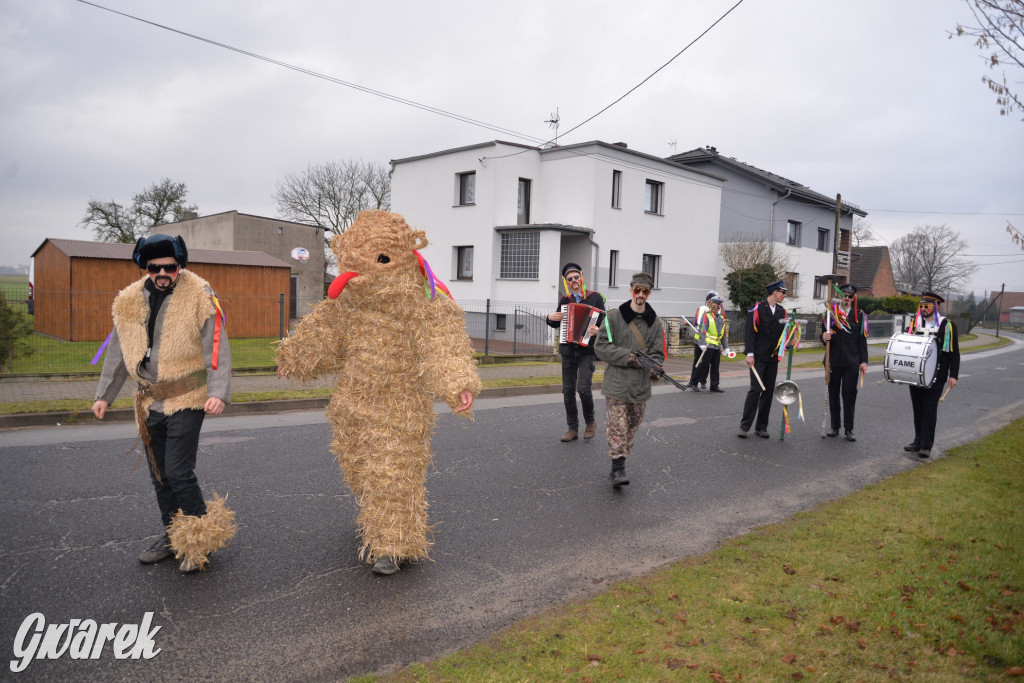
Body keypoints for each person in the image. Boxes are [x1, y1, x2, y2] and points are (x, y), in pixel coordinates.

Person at [276, 210, 481, 576]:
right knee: (360, 471)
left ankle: (393, 544)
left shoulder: (422, 301)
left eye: (380, 260)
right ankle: (398, 528)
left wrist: (457, 382)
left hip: (399, 405)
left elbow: (443, 343)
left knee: (391, 472)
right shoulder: (348, 302)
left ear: (401, 255)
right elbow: (323, 335)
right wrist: (294, 358)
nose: (362, 271)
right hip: (351, 404)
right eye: (353, 262)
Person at [92, 234, 236, 573]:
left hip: (188, 395)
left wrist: (218, 391)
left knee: (178, 472)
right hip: (148, 402)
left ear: (180, 265)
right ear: (145, 266)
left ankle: (199, 541)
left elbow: (216, 347)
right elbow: (117, 351)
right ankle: (174, 537)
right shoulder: (127, 300)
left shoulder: (200, 295)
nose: (162, 273)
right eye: (154, 267)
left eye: (169, 267)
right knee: (160, 476)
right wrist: (103, 396)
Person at [595, 272, 666, 486]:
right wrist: (628, 357)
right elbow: (601, 347)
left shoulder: (655, 323)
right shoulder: (614, 317)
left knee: (631, 428)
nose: (640, 294)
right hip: (616, 384)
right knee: (617, 427)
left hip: (640, 387)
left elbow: (657, 354)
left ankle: (620, 461)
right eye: (637, 290)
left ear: (649, 293)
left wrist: (655, 368)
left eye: (645, 291)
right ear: (631, 291)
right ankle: (618, 469)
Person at [546, 262, 605, 442]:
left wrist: (598, 330)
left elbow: (607, 324)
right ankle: (572, 429)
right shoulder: (565, 301)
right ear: (566, 282)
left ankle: (590, 422)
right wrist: (549, 318)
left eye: (576, 277)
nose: (574, 281)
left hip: (586, 350)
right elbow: (556, 322)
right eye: (569, 279)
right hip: (568, 351)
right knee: (568, 390)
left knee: (584, 389)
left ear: (581, 276)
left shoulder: (595, 298)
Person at [903, 291, 959, 458]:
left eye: (926, 306)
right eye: (921, 306)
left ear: (936, 306)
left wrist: (953, 375)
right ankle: (917, 441)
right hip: (916, 374)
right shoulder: (915, 324)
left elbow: (953, 353)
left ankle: (926, 446)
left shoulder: (946, 325)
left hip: (937, 375)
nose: (923, 309)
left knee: (929, 409)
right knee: (918, 408)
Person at [737, 279, 791, 439]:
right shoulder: (757, 309)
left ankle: (761, 427)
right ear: (775, 292)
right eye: (782, 293)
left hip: (773, 358)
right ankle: (744, 426)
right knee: (755, 390)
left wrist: (788, 343)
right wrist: (750, 353)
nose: (783, 296)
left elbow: (782, 334)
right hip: (759, 357)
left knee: (767, 392)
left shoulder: (782, 312)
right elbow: (750, 332)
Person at [820, 284, 869, 441]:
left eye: (850, 296)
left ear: (854, 298)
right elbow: (824, 336)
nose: (846, 298)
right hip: (833, 360)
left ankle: (849, 429)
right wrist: (824, 337)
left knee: (849, 395)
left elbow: (862, 340)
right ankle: (835, 427)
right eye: (844, 295)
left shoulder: (859, 316)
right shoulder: (830, 314)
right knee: (833, 394)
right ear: (840, 296)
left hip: (851, 362)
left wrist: (864, 361)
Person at [690, 294, 730, 393]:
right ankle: (694, 383)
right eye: (715, 305)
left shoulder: (721, 318)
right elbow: (702, 331)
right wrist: (702, 343)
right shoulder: (706, 316)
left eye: (719, 305)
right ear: (712, 305)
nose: (717, 307)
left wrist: (726, 347)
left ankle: (714, 385)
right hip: (707, 345)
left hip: (716, 346)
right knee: (703, 365)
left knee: (715, 367)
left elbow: (722, 335)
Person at [687, 290, 717, 391]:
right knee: (697, 360)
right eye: (709, 299)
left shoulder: (718, 311)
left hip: (709, 341)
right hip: (698, 339)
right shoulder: (700, 309)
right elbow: (696, 322)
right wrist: (689, 323)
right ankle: (692, 381)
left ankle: (703, 381)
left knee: (706, 362)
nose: (709, 302)